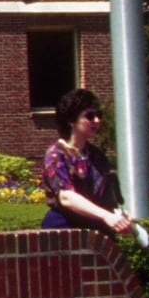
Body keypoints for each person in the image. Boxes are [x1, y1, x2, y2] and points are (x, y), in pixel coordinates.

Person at [39, 87, 134, 236]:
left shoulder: (97, 156)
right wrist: (106, 216)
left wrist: (119, 216)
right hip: (63, 231)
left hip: (97, 231)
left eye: (99, 115)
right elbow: (66, 197)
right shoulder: (56, 155)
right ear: (71, 120)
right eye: (90, 116)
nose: (97, 120)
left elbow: (106, 197)